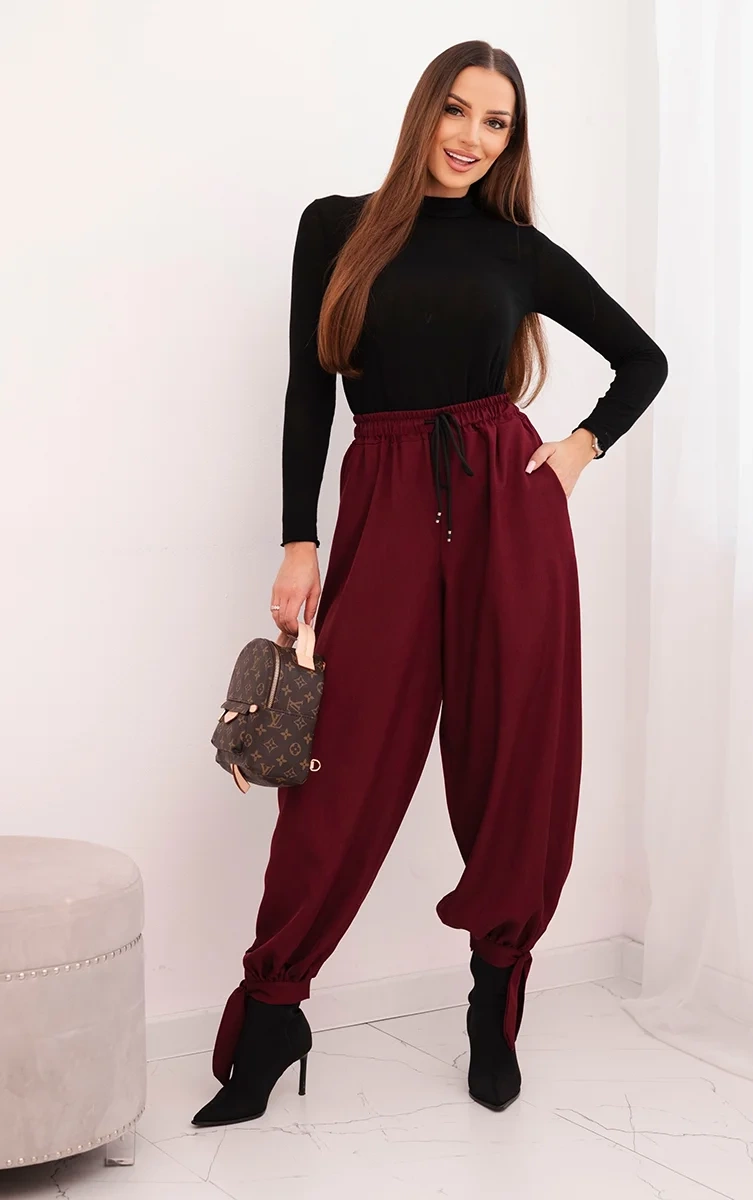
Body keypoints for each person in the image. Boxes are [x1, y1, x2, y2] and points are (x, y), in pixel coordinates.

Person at [192, 40, 668, 1129]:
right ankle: (272, 1013)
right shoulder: (335, 226)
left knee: (513, 759)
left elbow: (642, 359)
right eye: (458, 111)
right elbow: (308, 386)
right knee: (339, 761)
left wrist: (579, 447)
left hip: (511, 512)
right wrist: (298, 539)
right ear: (424, 112)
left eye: (497, 123)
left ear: (512, 140)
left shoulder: (516, 249)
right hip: (386, 504)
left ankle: (495, 1003)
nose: (472, 137)